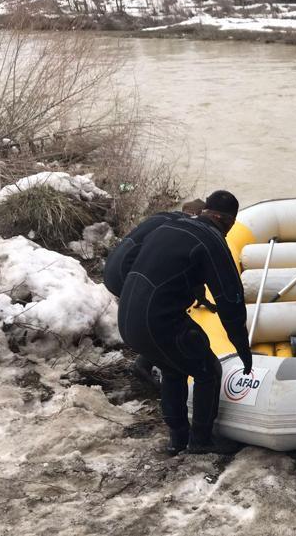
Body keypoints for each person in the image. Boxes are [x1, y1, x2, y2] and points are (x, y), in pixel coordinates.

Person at [117, 190, 252, 455]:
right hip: (158, 322)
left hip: (127, 318)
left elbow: (128, 262)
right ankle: (201, 440)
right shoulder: (212, 240)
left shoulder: (170, 226)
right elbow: (230, 301)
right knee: (208, 370)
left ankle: (178, 439)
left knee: (174, 369)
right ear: (227, 221)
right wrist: (242, 348)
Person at [103, 199, 217, 387]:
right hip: (127, 273)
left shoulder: (162, 217)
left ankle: (149, 357)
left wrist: (200, 296)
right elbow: (185, 265)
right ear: (198, 216)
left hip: (112, 269)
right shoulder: (181, 230)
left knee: (152, 312)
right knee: (161, 312)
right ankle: (147, 363)